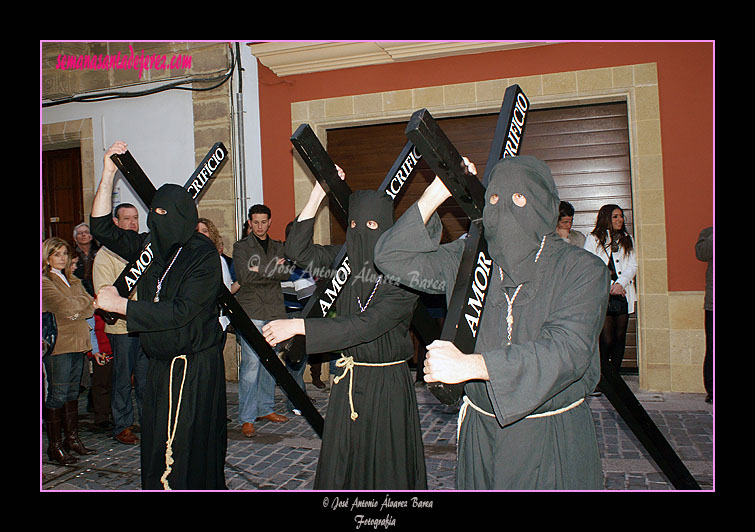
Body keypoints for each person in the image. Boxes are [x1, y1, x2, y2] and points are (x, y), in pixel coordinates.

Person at [374, 155, 609, 490]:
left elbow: (566, 349)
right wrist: (437, 193)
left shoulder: (582, 269)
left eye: (520, 199)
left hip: (550, 437)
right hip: (481, 436)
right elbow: (391, 258)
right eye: (495, 199)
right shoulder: (469, 260)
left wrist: (475, 365)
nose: (506, 209)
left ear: (547, 206)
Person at [262, 166, 427, 490]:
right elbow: (296, 251)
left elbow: (367, 325)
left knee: (385, 467)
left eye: (370, 226)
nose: (360, 233)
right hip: (348, 378)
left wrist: (298, 326)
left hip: (386, 385)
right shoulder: (345, 261)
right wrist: (318, 193)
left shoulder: (405, 274)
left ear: (387, 229)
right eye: (353, 225)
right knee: (345, 466)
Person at [91, 140, 227, 490]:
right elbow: (102, 228)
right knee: (158, 441)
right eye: (155, 215)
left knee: (185, 444)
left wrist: (121, 306)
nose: (157, 222)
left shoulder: (202, 255)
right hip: (160, 365)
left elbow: (181, 311)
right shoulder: (151, 247)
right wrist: (109, 172)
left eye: (165, 216)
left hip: (194, 366)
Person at [232, 204, 291, 438]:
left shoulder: (279, 246)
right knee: (251, 366)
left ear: (269, 222)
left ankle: (265, 409)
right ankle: (247, 417)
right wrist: (270, 269)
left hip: (274, 309)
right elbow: (244, 276)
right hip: (252, 310)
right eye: (255, 222)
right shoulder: (241, 247)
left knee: (270, 363)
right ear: (249, 222)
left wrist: (259, 268)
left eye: (263, 221)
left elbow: (286, 273)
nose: (259, 226)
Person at [92, 202, 148, 445]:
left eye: (136, 218)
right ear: (115, 222)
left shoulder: (144, 251)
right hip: (122, 328)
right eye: (127, 218)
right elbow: (105, 294)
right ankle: (122, 425)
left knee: (147, 380)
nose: (133, 223)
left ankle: (149, 422)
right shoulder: (105, 255)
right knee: (123, 379)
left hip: (145, 326)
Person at [42, 237, 97, 465]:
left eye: (65, 254)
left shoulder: (73, 280)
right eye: (57, 254)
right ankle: (54, 446)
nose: (62, 258)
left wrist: (79, 308)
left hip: (78, 342)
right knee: (58, 394)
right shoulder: (45, 281)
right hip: (60, 345)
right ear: (47, 257)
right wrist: (79, 308)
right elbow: (64, 307)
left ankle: (72, 438)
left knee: (73, 393)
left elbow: (90, 305)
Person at [583, 204, 638, 374]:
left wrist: (620, 283)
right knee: (606, 338)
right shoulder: (593, 239)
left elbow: (633, 264)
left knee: (620, 337)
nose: (620, 219)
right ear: (606, 218)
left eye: (621, 216)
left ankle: (616, 375)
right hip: (603, 294)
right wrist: (609, 286)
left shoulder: (627, 238)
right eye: (615, 216)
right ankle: (602, 377)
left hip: (622, 293)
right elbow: (589, 265)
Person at [695, 226, 713, 404]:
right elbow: (701, 254)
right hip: (713, 304)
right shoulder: (708, 233)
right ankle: (712, 389)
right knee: (712, 346)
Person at [88, 312, 114, 431]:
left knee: (113, 383)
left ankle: (112, 414)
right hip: (102, 349)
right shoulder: (94, 302)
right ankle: (101, 417)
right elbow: (91, 328)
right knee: (101, 384)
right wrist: (95, 350)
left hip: (115, 346)